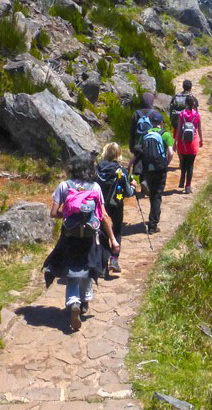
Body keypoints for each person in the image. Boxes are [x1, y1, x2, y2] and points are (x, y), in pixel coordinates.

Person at [44, 154, 118, 332]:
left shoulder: (64, 186)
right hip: (90, 236)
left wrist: (68, 216)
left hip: (69, 236)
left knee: (72, 271)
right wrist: (114, 240)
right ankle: (84, 302)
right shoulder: (95, 187)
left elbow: (53, 213)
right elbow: (104, 216)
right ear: (90, 170)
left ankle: (73, 303)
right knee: (88, 268)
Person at [96, 142, 133, 275]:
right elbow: (128, 192)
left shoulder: (97, 169)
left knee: (102, 232)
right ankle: (114, 259)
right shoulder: (121, 171)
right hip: (116, 203)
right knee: (116, 230)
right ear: (118, 155)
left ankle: (102, 265)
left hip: (100, 204)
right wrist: (133, 186)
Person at [139, 111, 174, 234]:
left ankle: (154, 216)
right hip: (160, 168)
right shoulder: (166, 135)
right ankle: (153, 225)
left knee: (153, 193)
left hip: (147, 168)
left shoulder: (145, 134)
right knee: (157, 195)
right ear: (161, 123)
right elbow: (171, 153)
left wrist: (129, 167)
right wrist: (166, 164)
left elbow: (138, 152)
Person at [174, 94, 203, 193]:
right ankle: (188, 186)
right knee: (190, 165)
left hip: (182, 143)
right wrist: (201, 140)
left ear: (185, 103)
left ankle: (182, 178)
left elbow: (178, 129)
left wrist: (175, 142)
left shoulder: (181, 114)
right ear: (194, 104)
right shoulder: (197, 115)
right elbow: (199, 129)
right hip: (193, 142)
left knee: (183, 162)